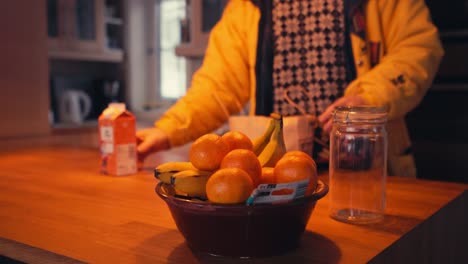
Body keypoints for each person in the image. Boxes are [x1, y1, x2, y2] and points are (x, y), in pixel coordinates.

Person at [137, 0, 444, 177]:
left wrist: (370, 97)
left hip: (369, 174)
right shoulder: (246, 6)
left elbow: (419, 48)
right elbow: (218, 86)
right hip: (273, 180)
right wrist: (167, 131)